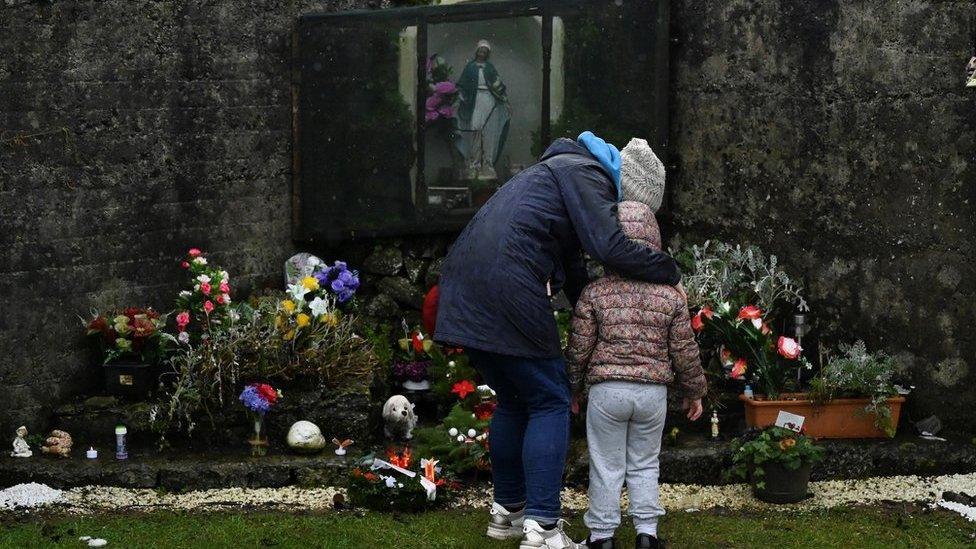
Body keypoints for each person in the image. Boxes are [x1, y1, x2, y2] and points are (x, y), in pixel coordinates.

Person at [435, 132, 683, 549]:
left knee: (516, 398)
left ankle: (508, 512)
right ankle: (544, 528)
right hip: (507, 283)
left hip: (464, 286)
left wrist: (596, 303)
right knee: (551, 398)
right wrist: (670, 272)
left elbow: (574, 263)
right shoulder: (587, 174)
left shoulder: (558, 171)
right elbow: (610, 246)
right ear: (628, 192)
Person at [566, 201, 707, 549]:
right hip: (652, 393)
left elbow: (579, 349)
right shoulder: (669, 296)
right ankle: (647, 535)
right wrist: (695, 391)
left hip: (606, 391)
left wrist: (572, 388)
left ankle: (601, 538)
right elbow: (684, 350)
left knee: (606, 465)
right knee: (645, 464)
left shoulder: (594, 293)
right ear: (654, 243)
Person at [456, 39, 510, 180]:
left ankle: (488, 164)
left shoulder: (490, 68)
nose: (482, 53)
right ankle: (474, 163)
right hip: (475, 101)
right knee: (475, 129)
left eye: (485, 51)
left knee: (488, 132)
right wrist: (460, 96)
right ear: (477, 52)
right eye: (480, 51)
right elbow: (462, 85)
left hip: (489, 99)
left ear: (487, 53)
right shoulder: (470, 67)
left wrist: (504, 99)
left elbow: (498, 86)